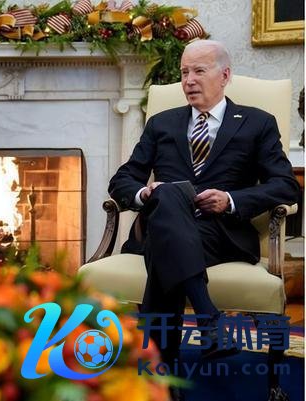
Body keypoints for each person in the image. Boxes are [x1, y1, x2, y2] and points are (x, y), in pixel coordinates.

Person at [108, 40, 299, 399]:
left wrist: (230, 200)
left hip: (221, 232)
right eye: (184, 72)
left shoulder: (257, 123)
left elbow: (285, 186)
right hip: (162, 223)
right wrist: (145, 193)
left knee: (166, 243)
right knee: (167, 195)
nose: (189, 80)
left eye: (199, 71)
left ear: (224, 75)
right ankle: (208, 317)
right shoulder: (162, 123)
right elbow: (123, 179)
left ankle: (163, 379)